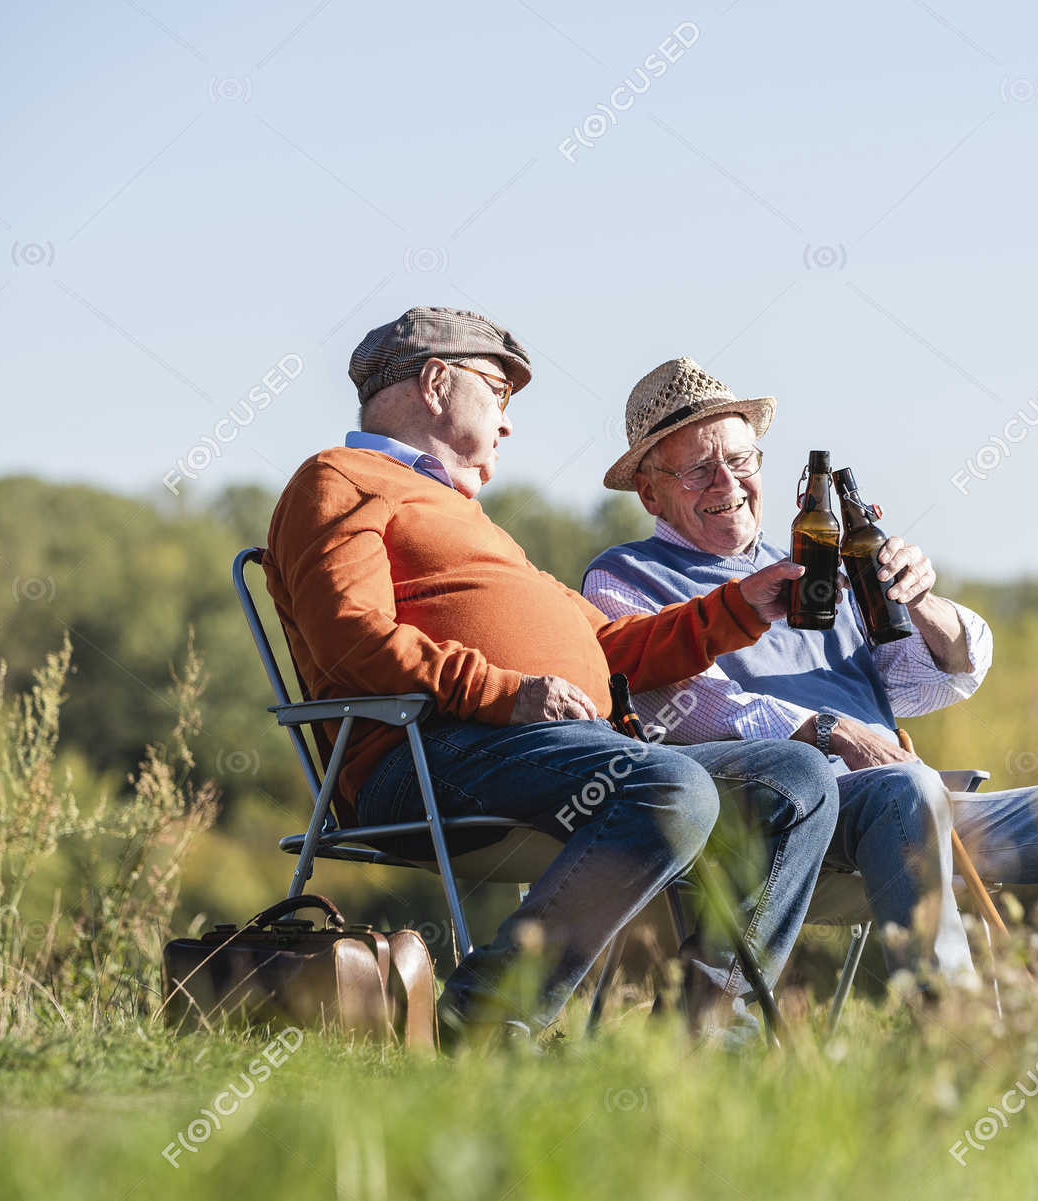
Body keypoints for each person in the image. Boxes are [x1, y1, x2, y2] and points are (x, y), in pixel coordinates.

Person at [263, 312, 837, 1045]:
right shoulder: (340, 479)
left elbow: (609, 647)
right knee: (671, 787)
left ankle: (709, 1037)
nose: (507, 424)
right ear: (438, 382)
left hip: (557, 751)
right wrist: (504, 692)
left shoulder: (469, 520)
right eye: (500, 390)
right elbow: (350, 634)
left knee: (798, 776)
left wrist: (737, 608)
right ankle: (485, 1012)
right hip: (430, 753)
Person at [582, 357, 1038, 984]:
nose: (727, 482)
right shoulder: (623, 577)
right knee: (905, 790)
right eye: (699, 469)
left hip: (903, 802)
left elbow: (933, 680)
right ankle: (956, 1026)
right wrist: (832, 730)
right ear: (650, 492)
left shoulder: (811, 561)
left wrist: (918, 601)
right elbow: (689, 708)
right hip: (778, 815)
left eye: (741, 460)